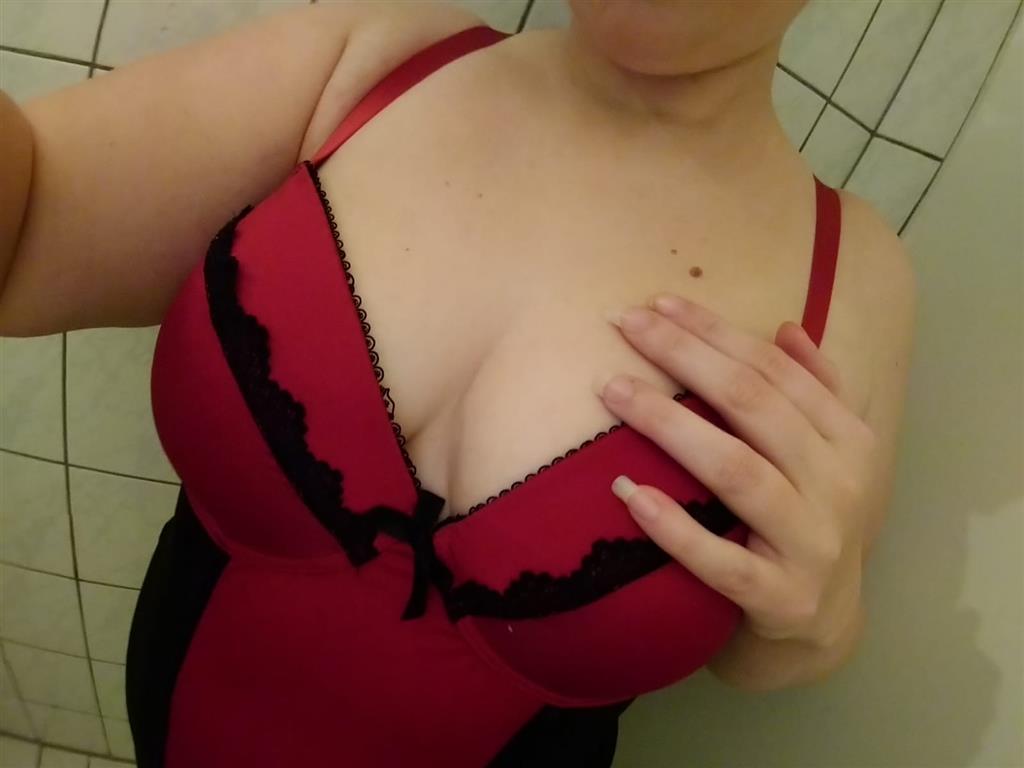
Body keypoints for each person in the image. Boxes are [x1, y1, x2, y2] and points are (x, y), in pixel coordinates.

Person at [0, 1, 916, 766]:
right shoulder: (369, 63)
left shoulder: (853, 283)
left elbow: (770, 645)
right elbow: (28, 226)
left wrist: (818, 627)